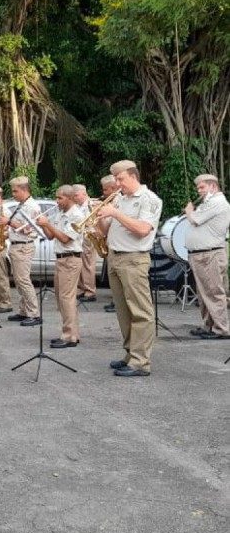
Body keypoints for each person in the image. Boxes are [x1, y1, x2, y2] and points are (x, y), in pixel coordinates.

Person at [97, 160, 162, 377]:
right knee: (123, 312)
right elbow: (105, 231)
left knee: (140, 312)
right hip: (115, 258)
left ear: (133, 176)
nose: (117, 183)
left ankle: (141, 362)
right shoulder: (120, 199)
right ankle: (130, 354)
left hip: (134, 259)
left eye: (120, 179)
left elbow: (143, 229)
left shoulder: (149, 199)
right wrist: (99, 216)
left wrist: (115, 214)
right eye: (115, 179)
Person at [37, 186, 84, 348]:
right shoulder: (60, 213)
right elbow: (51, 236)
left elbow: (65, 238)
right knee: (62, 298)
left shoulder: (77, 215)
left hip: (71, 259)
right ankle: (71, 333)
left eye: (60, 198)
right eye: (56, 198)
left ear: (69, 198)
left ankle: (69, 336)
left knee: (66, 298)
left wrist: (47, 225)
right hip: (61, 259)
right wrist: (43, 224)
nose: (57, 201)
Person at [184, 174, 230, 340]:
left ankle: (221, 329)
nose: (199, 191)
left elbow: (195, 219)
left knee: (213, 292)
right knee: (204, 292)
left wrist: (190, 211)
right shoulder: (210, 203)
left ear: (213, 187)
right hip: (203, 254)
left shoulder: (217, 202)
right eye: (198, 188)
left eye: (202, 187)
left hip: (210, 254)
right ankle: (209, 325)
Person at [6, 176, 42, 326]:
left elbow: (29, 230)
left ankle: (34, 313)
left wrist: (9, 222)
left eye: (15, 191)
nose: (13, 194)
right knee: (19, 280)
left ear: (24, 190)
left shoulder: (32, 207)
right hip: (16, 245)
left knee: (23, 280)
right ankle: (23, 310)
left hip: (24, 246)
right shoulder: (22, 205)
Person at [72, 184, 96, 303]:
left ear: (84, 193)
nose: (74, 197)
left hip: (88, 237)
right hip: (78, 238)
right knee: (80, 264)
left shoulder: (91, 205)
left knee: (88, 264)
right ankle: (81, 288)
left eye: (76, 195)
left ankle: (90, 291)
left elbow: (94, 222)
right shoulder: (77, 206)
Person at [99, 174, 119, 313]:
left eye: (105, 190)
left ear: (113, 188)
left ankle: (117, 302)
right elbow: (105, 228)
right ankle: (116, 300)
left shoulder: (118, 201)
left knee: (119, 278)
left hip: (121, 246)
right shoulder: (112, 201)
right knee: (114, 279)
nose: (103, 193)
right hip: (112, 243)